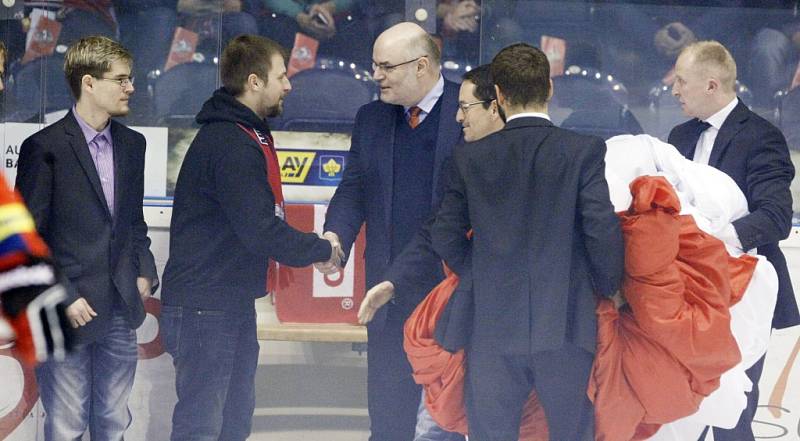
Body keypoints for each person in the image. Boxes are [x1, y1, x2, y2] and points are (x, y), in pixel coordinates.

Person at [430, 43, 624, 440]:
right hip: (568, 326)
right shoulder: (583, 151)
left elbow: (445, 235)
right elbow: (600, 230)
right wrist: (608, 287)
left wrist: (481, 271)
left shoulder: (469, 158)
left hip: (491, 327)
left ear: (498, 95)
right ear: (549, 89)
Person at [159, 34, 340, 441]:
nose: (289, 85)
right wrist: (322, 249)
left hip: (226, 303)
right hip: (206, 309)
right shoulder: (229, 143)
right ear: (255, 82)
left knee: (232, 424)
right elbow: (260, 229)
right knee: (202, 427)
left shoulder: (243, 135)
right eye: (282, 76)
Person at [319, 21, 462, 441]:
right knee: (387, 423)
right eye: (374, 66)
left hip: (450, 294)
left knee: (448, 424)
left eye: (386, 67)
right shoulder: (371, 117)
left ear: (421, 66)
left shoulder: (467, 110)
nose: (375, 76)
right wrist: (335, 237)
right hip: (385, 295)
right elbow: (354, 189)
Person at [15, 35, 158, 441]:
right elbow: (27, 240)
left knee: (113, 423)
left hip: (119, 306)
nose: (131, 87)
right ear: (89, 83)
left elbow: (134, 224)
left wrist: (145, 272)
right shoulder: (44, 147)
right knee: (66, 425)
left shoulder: (133, 145)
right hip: (65, 312)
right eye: (122, 79)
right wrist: (64, 294)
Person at [356, 63, 502, 441]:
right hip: (453, 315)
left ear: (495, 106)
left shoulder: (555, 155)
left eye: (465, 108)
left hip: (516, 328)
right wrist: (393, 280)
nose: (457, 116)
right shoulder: (464, 162)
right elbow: (439, 230)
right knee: (433, 426)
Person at [668, 40, 799, 441]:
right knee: (679, 409)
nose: (673, 90)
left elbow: (775, 217)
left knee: (733, 412)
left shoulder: (762, 136)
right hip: (684, 294)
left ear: (711, 85)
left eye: (681, 82)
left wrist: (710, 237)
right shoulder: (678, 136)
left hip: (742, 294)